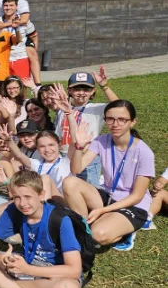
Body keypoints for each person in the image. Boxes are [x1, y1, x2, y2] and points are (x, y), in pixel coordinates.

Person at [63, 100, 154, 251]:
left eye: (122, 120)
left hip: (133, 205)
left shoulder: (144, 152)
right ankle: (83, 226)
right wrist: (78, 147)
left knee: (98, 234)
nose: (115, 124)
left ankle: (125, 231)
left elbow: (137, 196)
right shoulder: (101, 141)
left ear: (132, 122)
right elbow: (76, 170)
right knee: (69, 182)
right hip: (108, 195)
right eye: (110, 119)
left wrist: (102, 211)